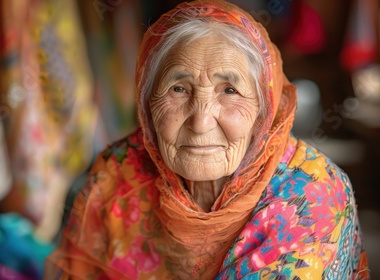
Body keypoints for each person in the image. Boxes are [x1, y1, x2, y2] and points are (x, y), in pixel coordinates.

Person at [46, 0, 370, 279]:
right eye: (178, 89)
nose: (200, 123)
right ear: (146, 104)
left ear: (264, 109)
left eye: (229, 91)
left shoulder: (314, 194)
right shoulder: (116, 174)